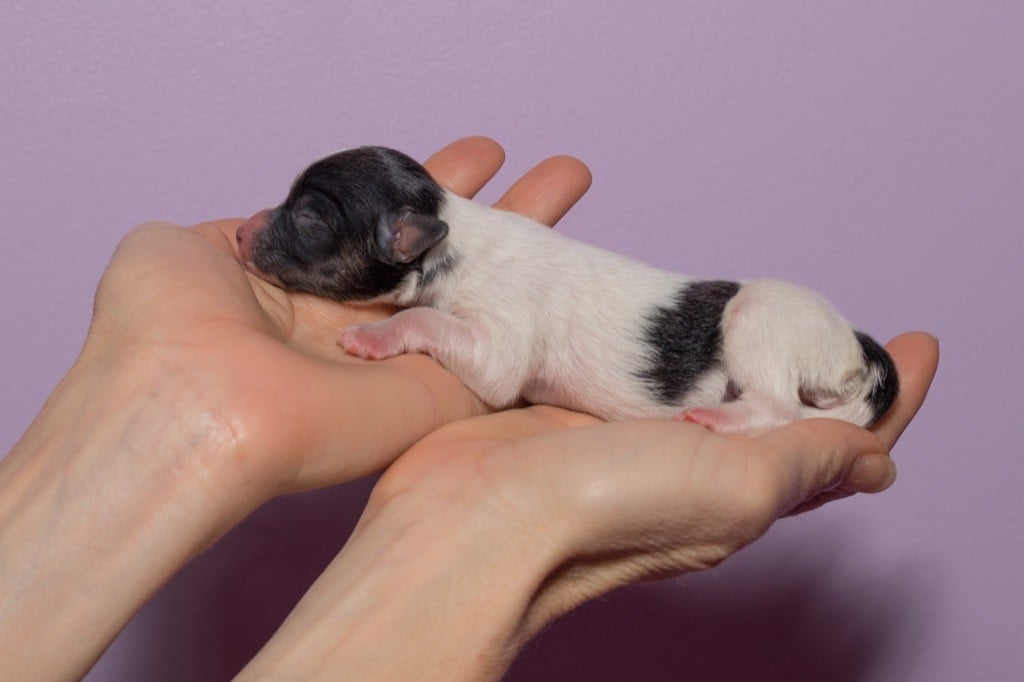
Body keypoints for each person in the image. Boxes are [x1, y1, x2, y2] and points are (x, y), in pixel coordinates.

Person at [0, 136, 938, 680]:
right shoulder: (461, 256)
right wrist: (167, 407)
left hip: (777, 348)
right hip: (706, 373)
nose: (259, 231)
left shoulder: (506, 271)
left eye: (306, 222)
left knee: (762, 309)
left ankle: (770, 405)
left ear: (406, 241)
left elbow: (496, 372)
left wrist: (417, 333)